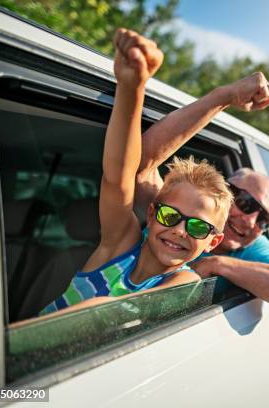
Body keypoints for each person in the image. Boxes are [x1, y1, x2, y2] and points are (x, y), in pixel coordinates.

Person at [40, 29, 233, 316]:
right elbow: (118, 178)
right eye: (170, 215)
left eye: (197, 226)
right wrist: (131, 86)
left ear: (213, 241)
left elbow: (110, 315)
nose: (179, 230)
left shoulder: (183, 280)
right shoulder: (120, 244)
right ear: (153, 213)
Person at [136, 74, 269, 309]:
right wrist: (224, 97)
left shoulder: (248, 248)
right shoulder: (172, 214)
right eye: (246, 203)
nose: (250, 221)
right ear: (224, 193)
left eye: (264, 219)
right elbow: (141, 164)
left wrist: (217, 265)